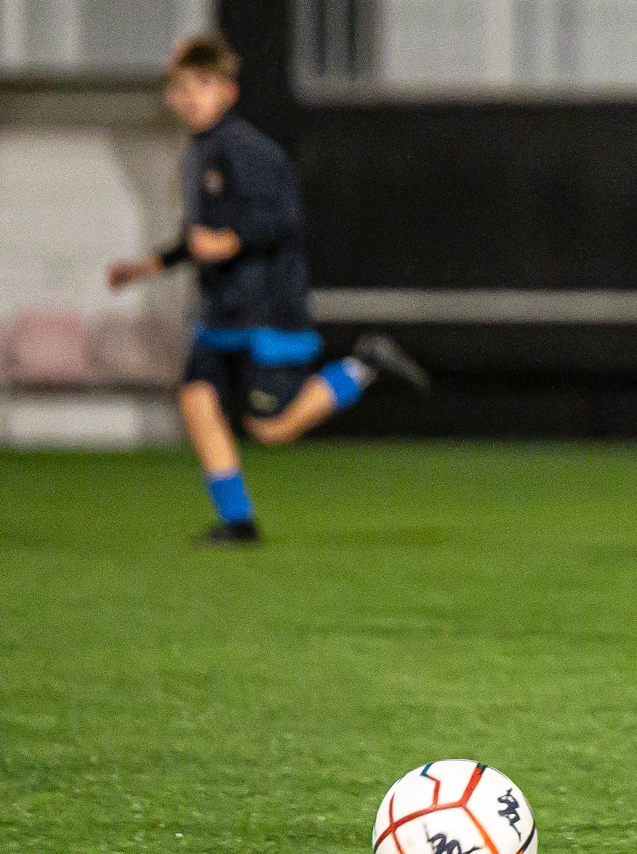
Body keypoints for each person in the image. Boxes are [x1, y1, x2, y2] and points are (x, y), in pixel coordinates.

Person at [106, 32, 428, 545]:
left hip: (266, 310)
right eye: (180, 87)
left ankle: (364, 364)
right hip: (222, 311)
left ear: (229, 91)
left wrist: (231, 240)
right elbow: (200, 240)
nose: (190, 97)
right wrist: (146, 266)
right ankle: (238, 522)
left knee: (271, 429)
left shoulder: (248, 149)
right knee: (196, 402)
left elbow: (282, 220)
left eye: (202, 85)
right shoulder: (197, 151)